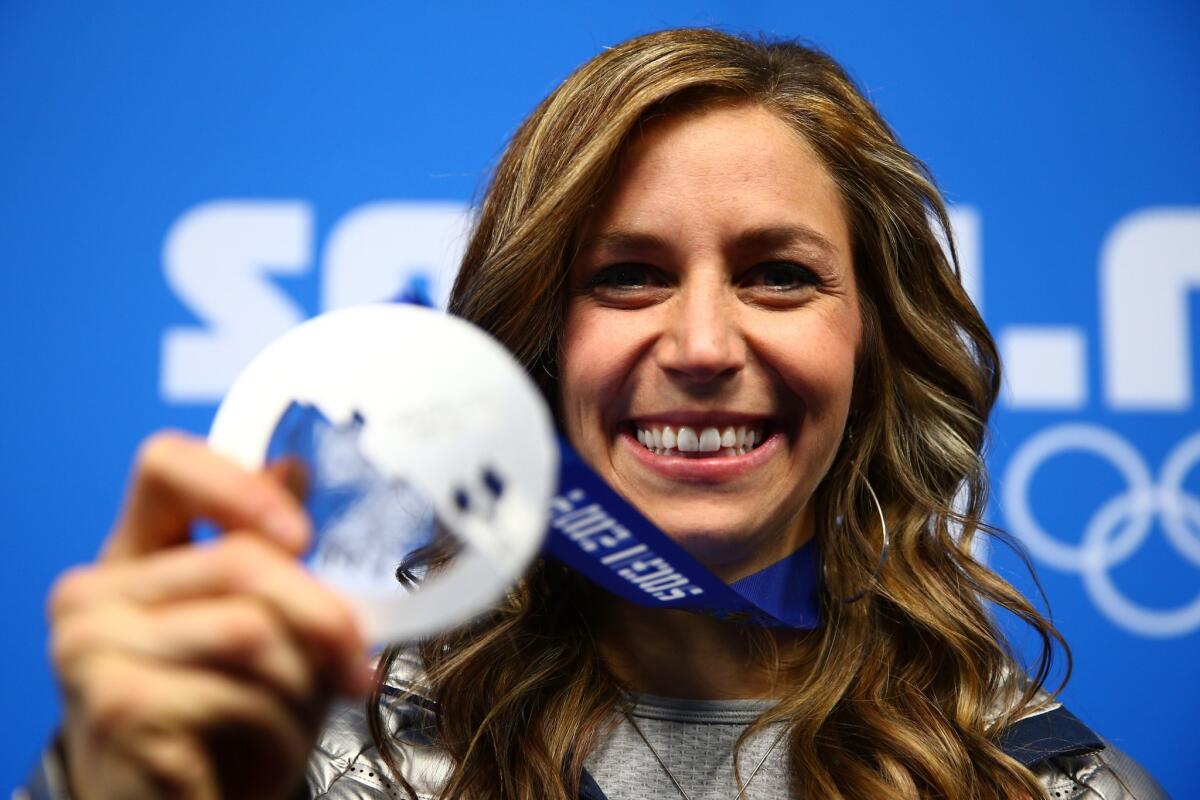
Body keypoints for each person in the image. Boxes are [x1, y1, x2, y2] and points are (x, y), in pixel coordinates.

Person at [27, 28, 1168, 800]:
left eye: (779, 273)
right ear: (531, 343)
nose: (707, 346)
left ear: (871, 347)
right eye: (625, 275)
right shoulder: (299, 761)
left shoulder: (1044, 782)